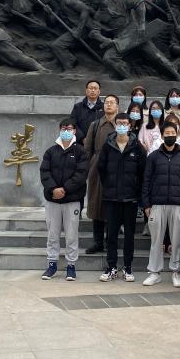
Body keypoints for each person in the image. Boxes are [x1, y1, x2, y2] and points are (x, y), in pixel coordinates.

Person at [141, 119, 180, 287]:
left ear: (177, 135)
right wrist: (146, 205)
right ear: (162, 136)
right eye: (167, 133)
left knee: (177, 241)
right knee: (156, 241)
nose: (170, 136)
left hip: (178, 205)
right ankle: (154, 272)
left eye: (173, 133)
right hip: (157, 204)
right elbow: (146, 181)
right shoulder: (153, 156)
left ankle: (176, 272)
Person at [97, 115, 147, 282]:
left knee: (129, 236)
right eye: (119, 123)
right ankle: (111, 267)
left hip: (130, 199)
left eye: (125, 124)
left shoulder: (137, 147)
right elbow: (101, 169)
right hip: (111, 199)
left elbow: (143, 171)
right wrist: (109, 185)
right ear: (115, 125)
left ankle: (127, 267)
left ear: (130, 126)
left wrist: (137, 190)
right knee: (111, 234)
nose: (122, 126)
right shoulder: (108, 146)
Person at [40, 119, 89, 281]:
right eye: (63, 128)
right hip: (52, 200)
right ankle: (52, 264)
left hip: (72, 200)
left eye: (69, 128)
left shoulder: (81, 152)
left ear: (74, 131)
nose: (66, 131)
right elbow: (44, 172)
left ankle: (71, 266)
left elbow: (81, 175)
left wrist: (65, 189)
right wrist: (54, 189)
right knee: (52, 234)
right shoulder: (51, 151)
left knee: (71, 235)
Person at [83, 94, 121, 255]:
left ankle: (110, 241)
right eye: (106, 102)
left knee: (112, 205)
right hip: (97, 168)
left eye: (112, 102)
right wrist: (87, 169)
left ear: (118, 106)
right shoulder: (95, 124)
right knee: (96, 204)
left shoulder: (121, 125)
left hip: (117, 167)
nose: (109, 105)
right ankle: (97, 241)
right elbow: (87, 149)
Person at [69, 79, 103, 144]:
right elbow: (73, 124)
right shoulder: (78, 107)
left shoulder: (104, 107)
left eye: (95, 88)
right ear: (86, 91)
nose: (93, 90)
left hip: (98, 143)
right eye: (91, 88)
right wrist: (82, 138)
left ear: (99, 91)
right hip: (80, 143)